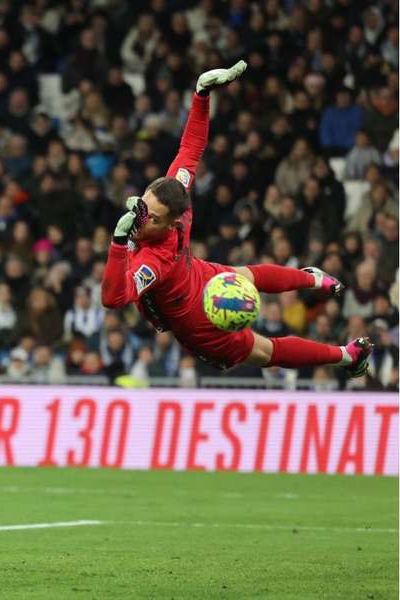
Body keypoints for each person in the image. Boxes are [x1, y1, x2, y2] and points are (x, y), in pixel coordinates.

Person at [101, 62, 373, 378]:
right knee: (248, 283)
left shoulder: (153, 259)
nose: (142, 218)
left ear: (172, 223)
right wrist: (201, 94)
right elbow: (190, 149)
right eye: (143, 207)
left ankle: (338, 340)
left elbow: (112, 297)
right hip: (194, 292)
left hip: (197, 308)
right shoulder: (175, 195)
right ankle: (324, 308)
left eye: (153, 218)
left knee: (263, 349)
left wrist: (119, 244)